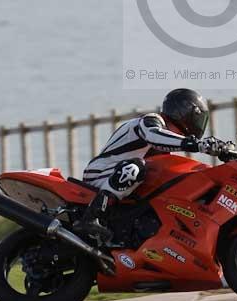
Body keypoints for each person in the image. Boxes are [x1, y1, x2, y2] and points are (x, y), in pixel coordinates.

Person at [80, 88, 224, 239]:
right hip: (101, 173)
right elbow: (154, 135)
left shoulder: (164, 146)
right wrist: (196, 144)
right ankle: (90, 218)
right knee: (135, 168)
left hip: (120, 181)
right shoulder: (150, 121)